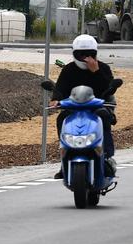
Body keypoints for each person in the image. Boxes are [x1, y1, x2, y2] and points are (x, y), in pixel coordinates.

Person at [50, 35, 117, 178]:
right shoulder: (69, 69)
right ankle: (65, 160)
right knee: (61, 119)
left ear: (95, 53)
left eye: (90, 54)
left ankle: (106, 157)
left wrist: (96, 72)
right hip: (74, 108)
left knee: (104, 116)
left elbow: (109, 88)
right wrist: (55, 99)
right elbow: (60, 88)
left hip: (97, 107)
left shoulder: (103, 68)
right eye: (81, 55)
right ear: (74, 54)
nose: (86, 58)